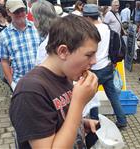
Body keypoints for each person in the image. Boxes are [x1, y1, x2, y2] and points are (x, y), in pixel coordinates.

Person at [9, 15, 101, 149]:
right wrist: (79, 102)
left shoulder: (65, 76)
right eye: (89, 55)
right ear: (63, 51)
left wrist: (81, 123)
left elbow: (58, 119)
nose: (94, 61)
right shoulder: (30, 92)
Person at [83, 4, 127, 129]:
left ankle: (95, 122)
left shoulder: (88, 31)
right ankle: (122, 120)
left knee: (92, 97)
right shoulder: (107, 27)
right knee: (112, 95)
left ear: (87, 17)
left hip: (94, 69)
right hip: (107, 67)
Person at [0, 0, 40, 91]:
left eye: (22, 10)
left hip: (41, 80)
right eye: (16, 11)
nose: (20, 14)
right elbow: (4, 62)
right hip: (20, 83)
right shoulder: (4, 35)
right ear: (8, 12)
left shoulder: (36, 27)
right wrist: (12, 83)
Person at [31, 0, 58, 65]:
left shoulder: (44, 47)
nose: (33, 21)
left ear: (39, 20)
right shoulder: (63, 31)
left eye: (33, 18)